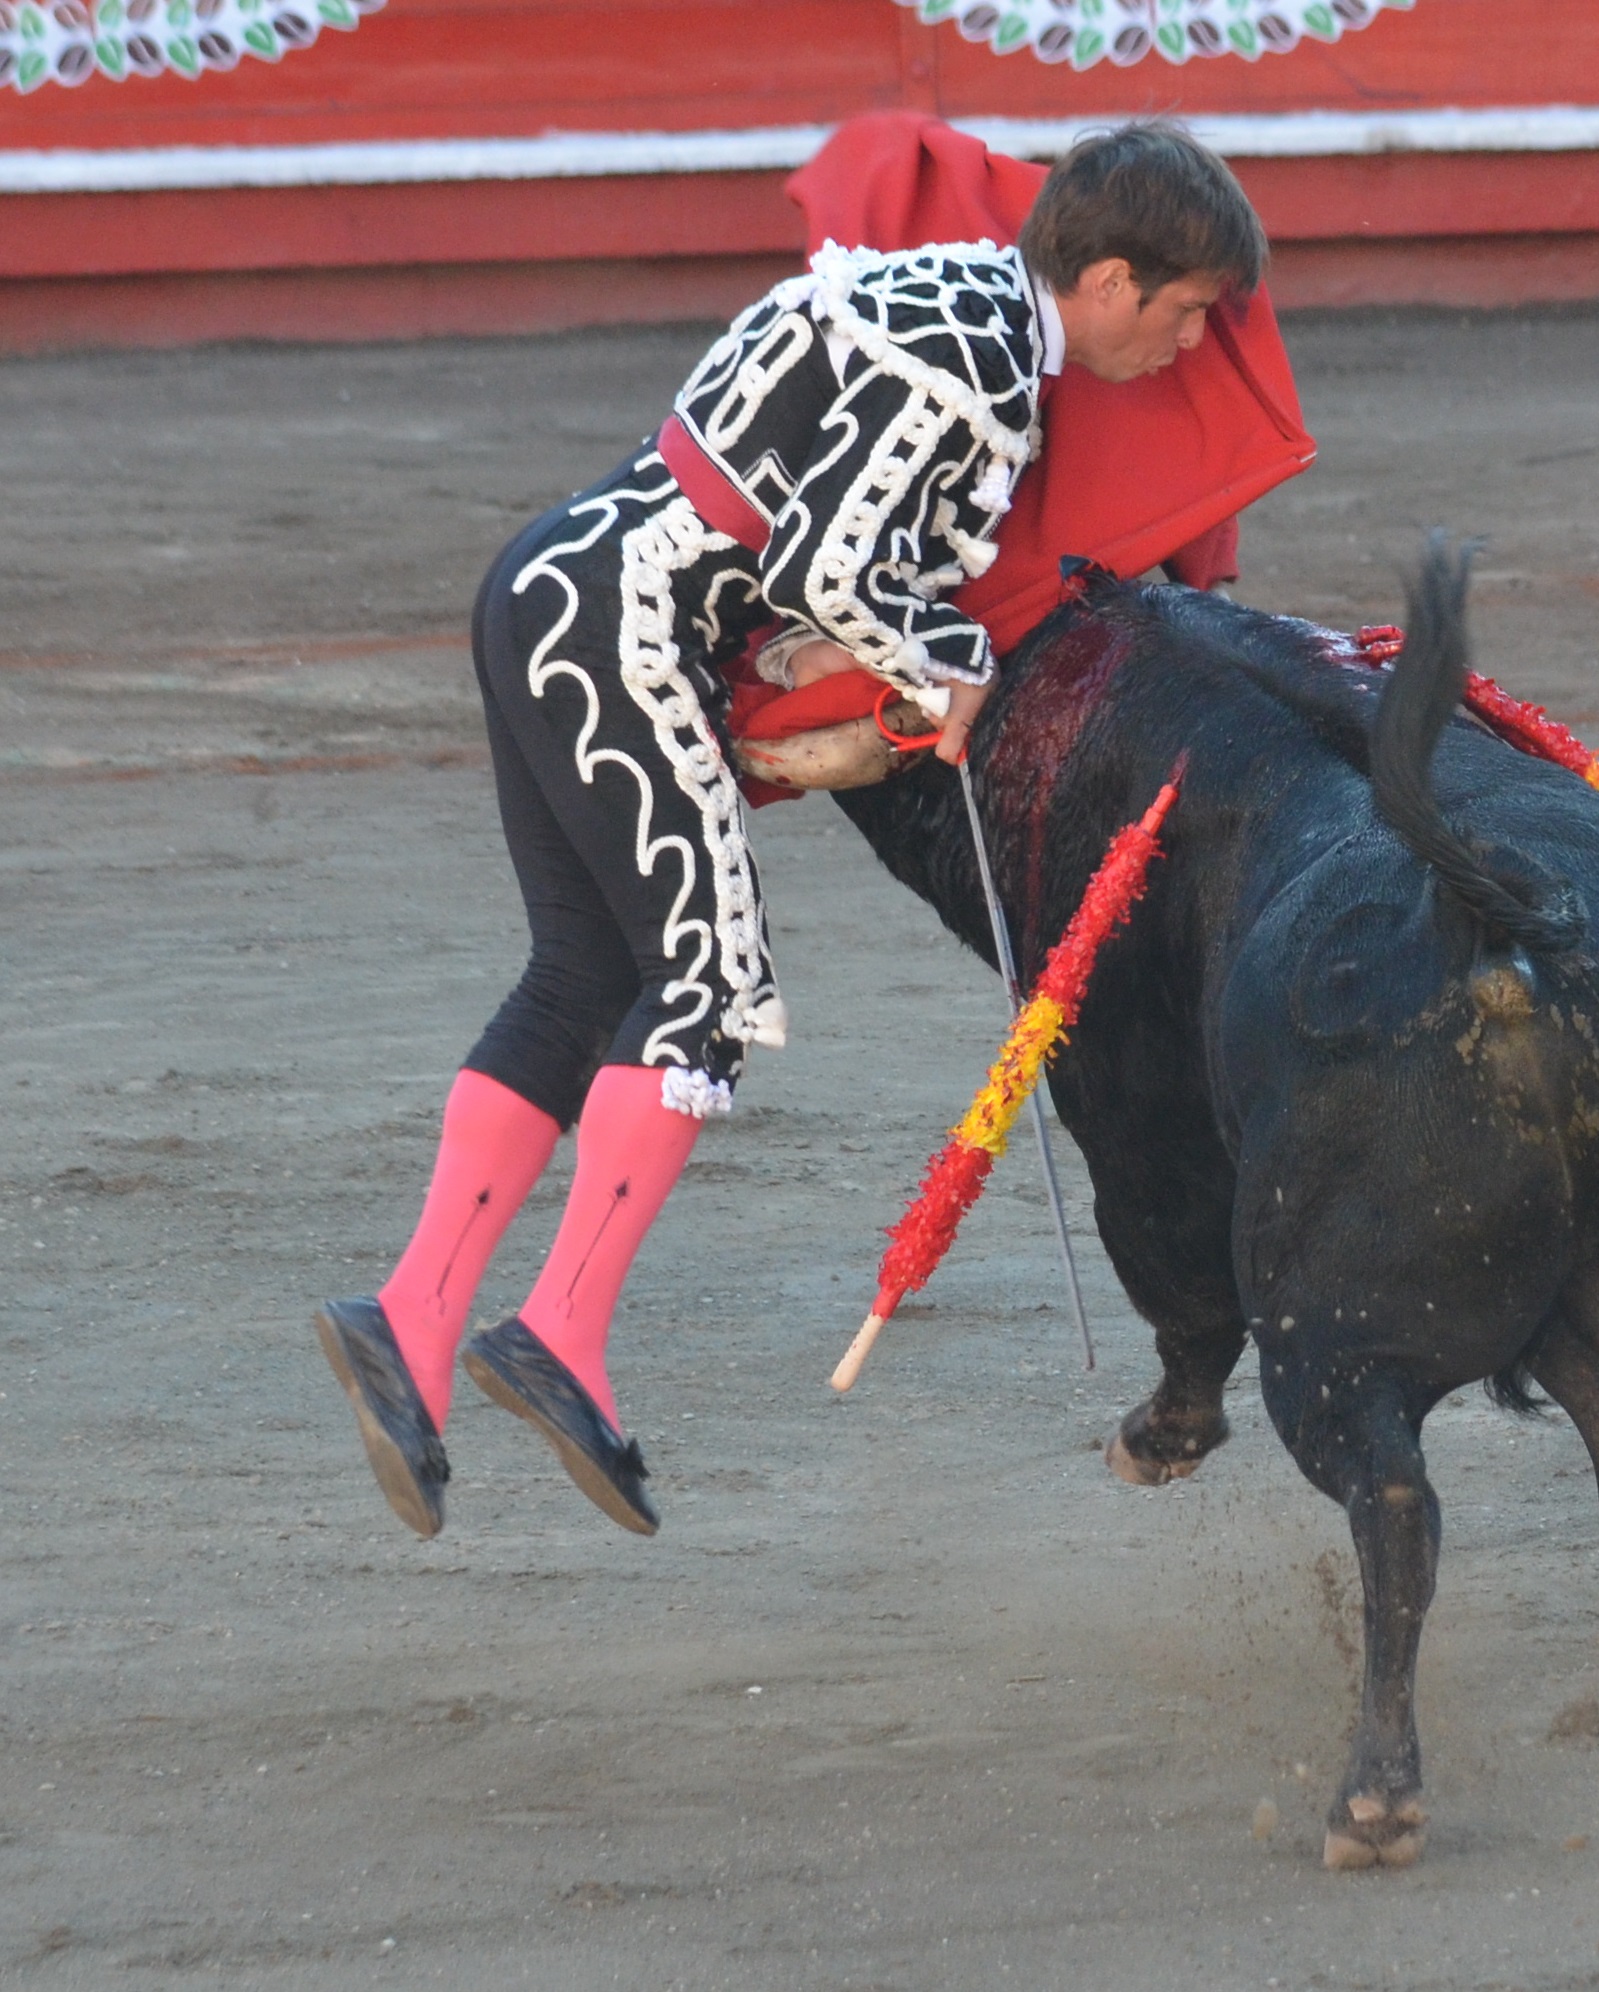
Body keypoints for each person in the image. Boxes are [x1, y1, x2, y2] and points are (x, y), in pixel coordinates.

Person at [315, 122, 1269, 1540]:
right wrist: (946, 664)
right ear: (1115, 279)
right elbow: (824, 564)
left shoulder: (931, 287)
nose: (1188, 346)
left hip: (562, 591)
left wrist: (924, 643)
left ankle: (411, 1319)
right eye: (1188, 312)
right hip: (626, 632)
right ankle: (559, 1332)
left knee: (584, 978)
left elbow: (825, 540)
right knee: (705, 979)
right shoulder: (993, 363)